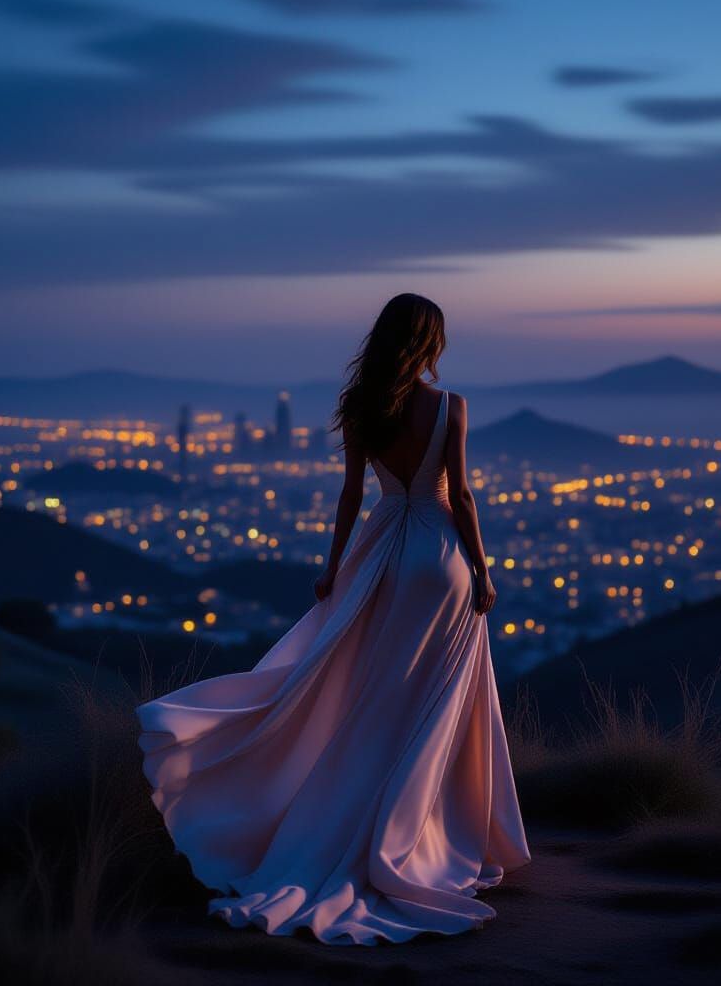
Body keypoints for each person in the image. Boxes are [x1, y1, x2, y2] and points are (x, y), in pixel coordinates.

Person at [137, 293, 531, 946]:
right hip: (440, 561)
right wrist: (483, 570)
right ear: (429, 342)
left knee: (378, 695)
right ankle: (430, 832)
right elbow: (460, 494)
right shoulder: (450, 406)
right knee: (437, 701)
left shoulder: (360, 408)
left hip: (382, 556)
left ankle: (358, 818)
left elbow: (351, 495)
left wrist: (333, 567)